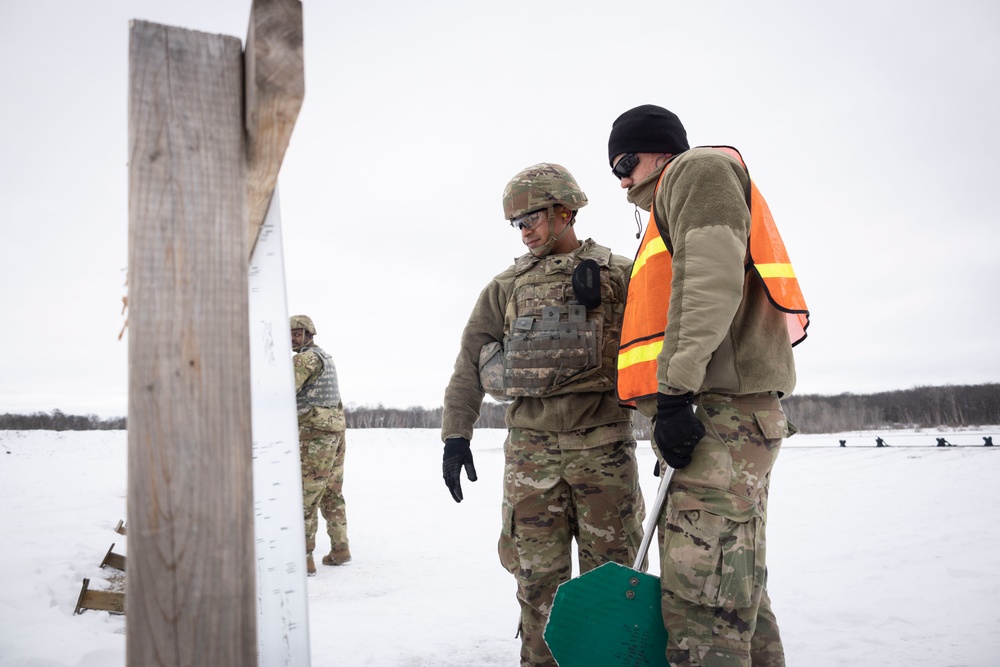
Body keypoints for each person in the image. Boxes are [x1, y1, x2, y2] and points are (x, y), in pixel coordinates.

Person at [607, 104, 810, 667]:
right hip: (718, 417)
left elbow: (708, 283)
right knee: (734, 585)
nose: (622, 179)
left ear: (660, 150)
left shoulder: (696, 172)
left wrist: (673, 396)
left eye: (626, 162)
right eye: (613, 170)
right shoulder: (676, 198)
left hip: (717, 412)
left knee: (704, 602)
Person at [440, 163, 646, 667]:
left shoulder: (620, 272)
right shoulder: (506, 286)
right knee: (535, 582)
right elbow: (470, 362)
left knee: (614, 580)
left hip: (604, 450)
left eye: (532, 217)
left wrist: (669, 428)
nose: (525, 230)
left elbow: (651, 356)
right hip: (531, 457)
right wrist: (455, 435)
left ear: (565, 211)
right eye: (518, 224)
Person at [290, 314, 350, 575]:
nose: (292, 337)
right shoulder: (325, 356)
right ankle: (340, 549)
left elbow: (284, 389)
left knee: (304, 496)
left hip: (315, 435)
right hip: (335, 431)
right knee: (331, 493)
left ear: (308, 333)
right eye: (289, 333)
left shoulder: (304, 359)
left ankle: (304, 558)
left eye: (297, 332)